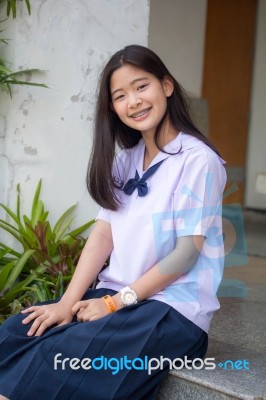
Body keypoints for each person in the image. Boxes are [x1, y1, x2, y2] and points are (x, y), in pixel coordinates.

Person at [0, 44, 226, 400]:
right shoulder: (126, 161)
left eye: (141, 87)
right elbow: (102, 236)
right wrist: (66, 302)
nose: (133, 101)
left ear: (166, 86)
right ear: (112, 108)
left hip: (169, 312)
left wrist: (112, 304)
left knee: (57, 359)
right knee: (15, 333)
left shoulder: (198, 161)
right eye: (120, 95)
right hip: (117, 298)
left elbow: (185, 255)